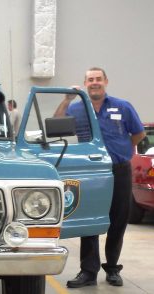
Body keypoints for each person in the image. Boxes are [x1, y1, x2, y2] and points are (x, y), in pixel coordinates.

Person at [55, 67, 145, 288]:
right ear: (85, 83)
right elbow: (57, 126)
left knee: (118, 219)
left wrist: (121, 152)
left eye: (98, 79)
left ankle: (112, 268)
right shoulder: (77, 108)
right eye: (90, 79)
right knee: (90, 220)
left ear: (106, 81)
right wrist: (66, 100)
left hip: (119, 170)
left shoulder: (122, 106)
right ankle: (88, 271)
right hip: (92, 171)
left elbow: (139, 133)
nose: (94, 82)